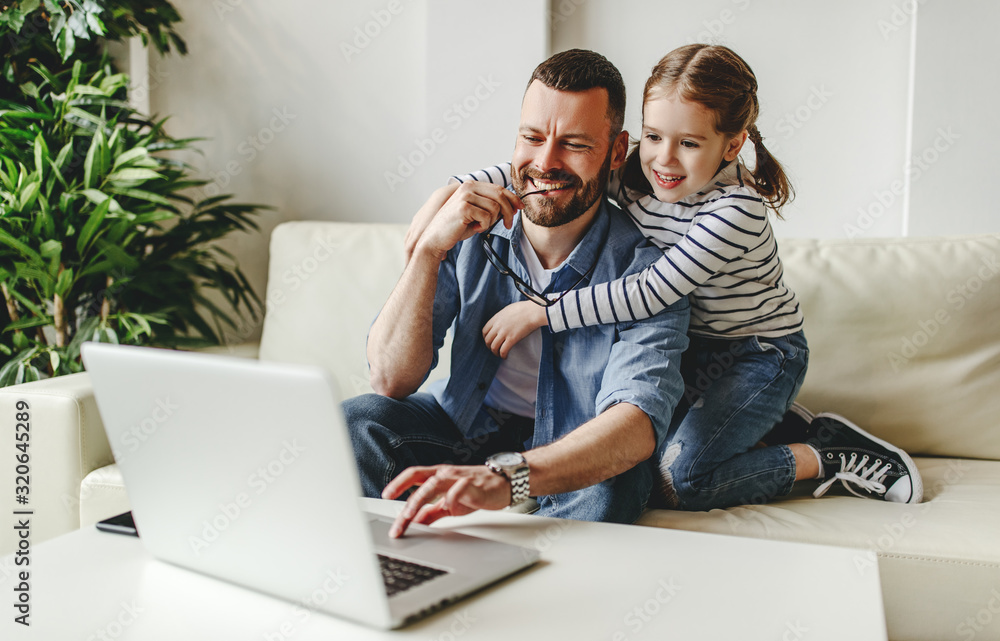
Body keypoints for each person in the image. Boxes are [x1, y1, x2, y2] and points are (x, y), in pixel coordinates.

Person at [437, 44, 923, 508]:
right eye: (653, 137)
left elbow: (651, 291)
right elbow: (546, 172)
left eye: (689, 143)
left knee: (681, 479)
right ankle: (763, 422)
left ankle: (823, 453)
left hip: (755, 355)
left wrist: (543, 312)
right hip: (691, 348)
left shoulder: (735, 210)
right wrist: (453, 194)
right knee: (627, 456)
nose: (664, 160)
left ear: (732, 144)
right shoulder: (638, 176)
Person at [345, 49, 691, 539]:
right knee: (360, 421)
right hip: (468, 426)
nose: (545, 163)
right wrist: (427, 252)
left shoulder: (653, 271)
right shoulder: (468, 228)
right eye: (532, 138)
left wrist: (511, 477)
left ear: (617, 152)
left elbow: (633, 425)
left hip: (575, 445)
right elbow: (391, 379)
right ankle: (403, 571)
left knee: (616, 481)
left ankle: (535, 597)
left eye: (573, 144)